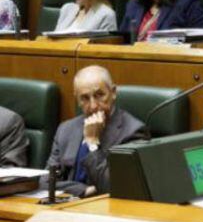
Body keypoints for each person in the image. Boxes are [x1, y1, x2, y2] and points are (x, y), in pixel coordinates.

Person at [44, 65, 147, 196]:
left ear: (113, 92)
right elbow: (46, 180)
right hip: (66, 208)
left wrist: (92, 143)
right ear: (77, 99)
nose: (93, 106)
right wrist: (84, 190)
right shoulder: (66, 129)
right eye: (85, 98)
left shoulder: (133, 132)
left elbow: (112, 187)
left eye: (99, 95)